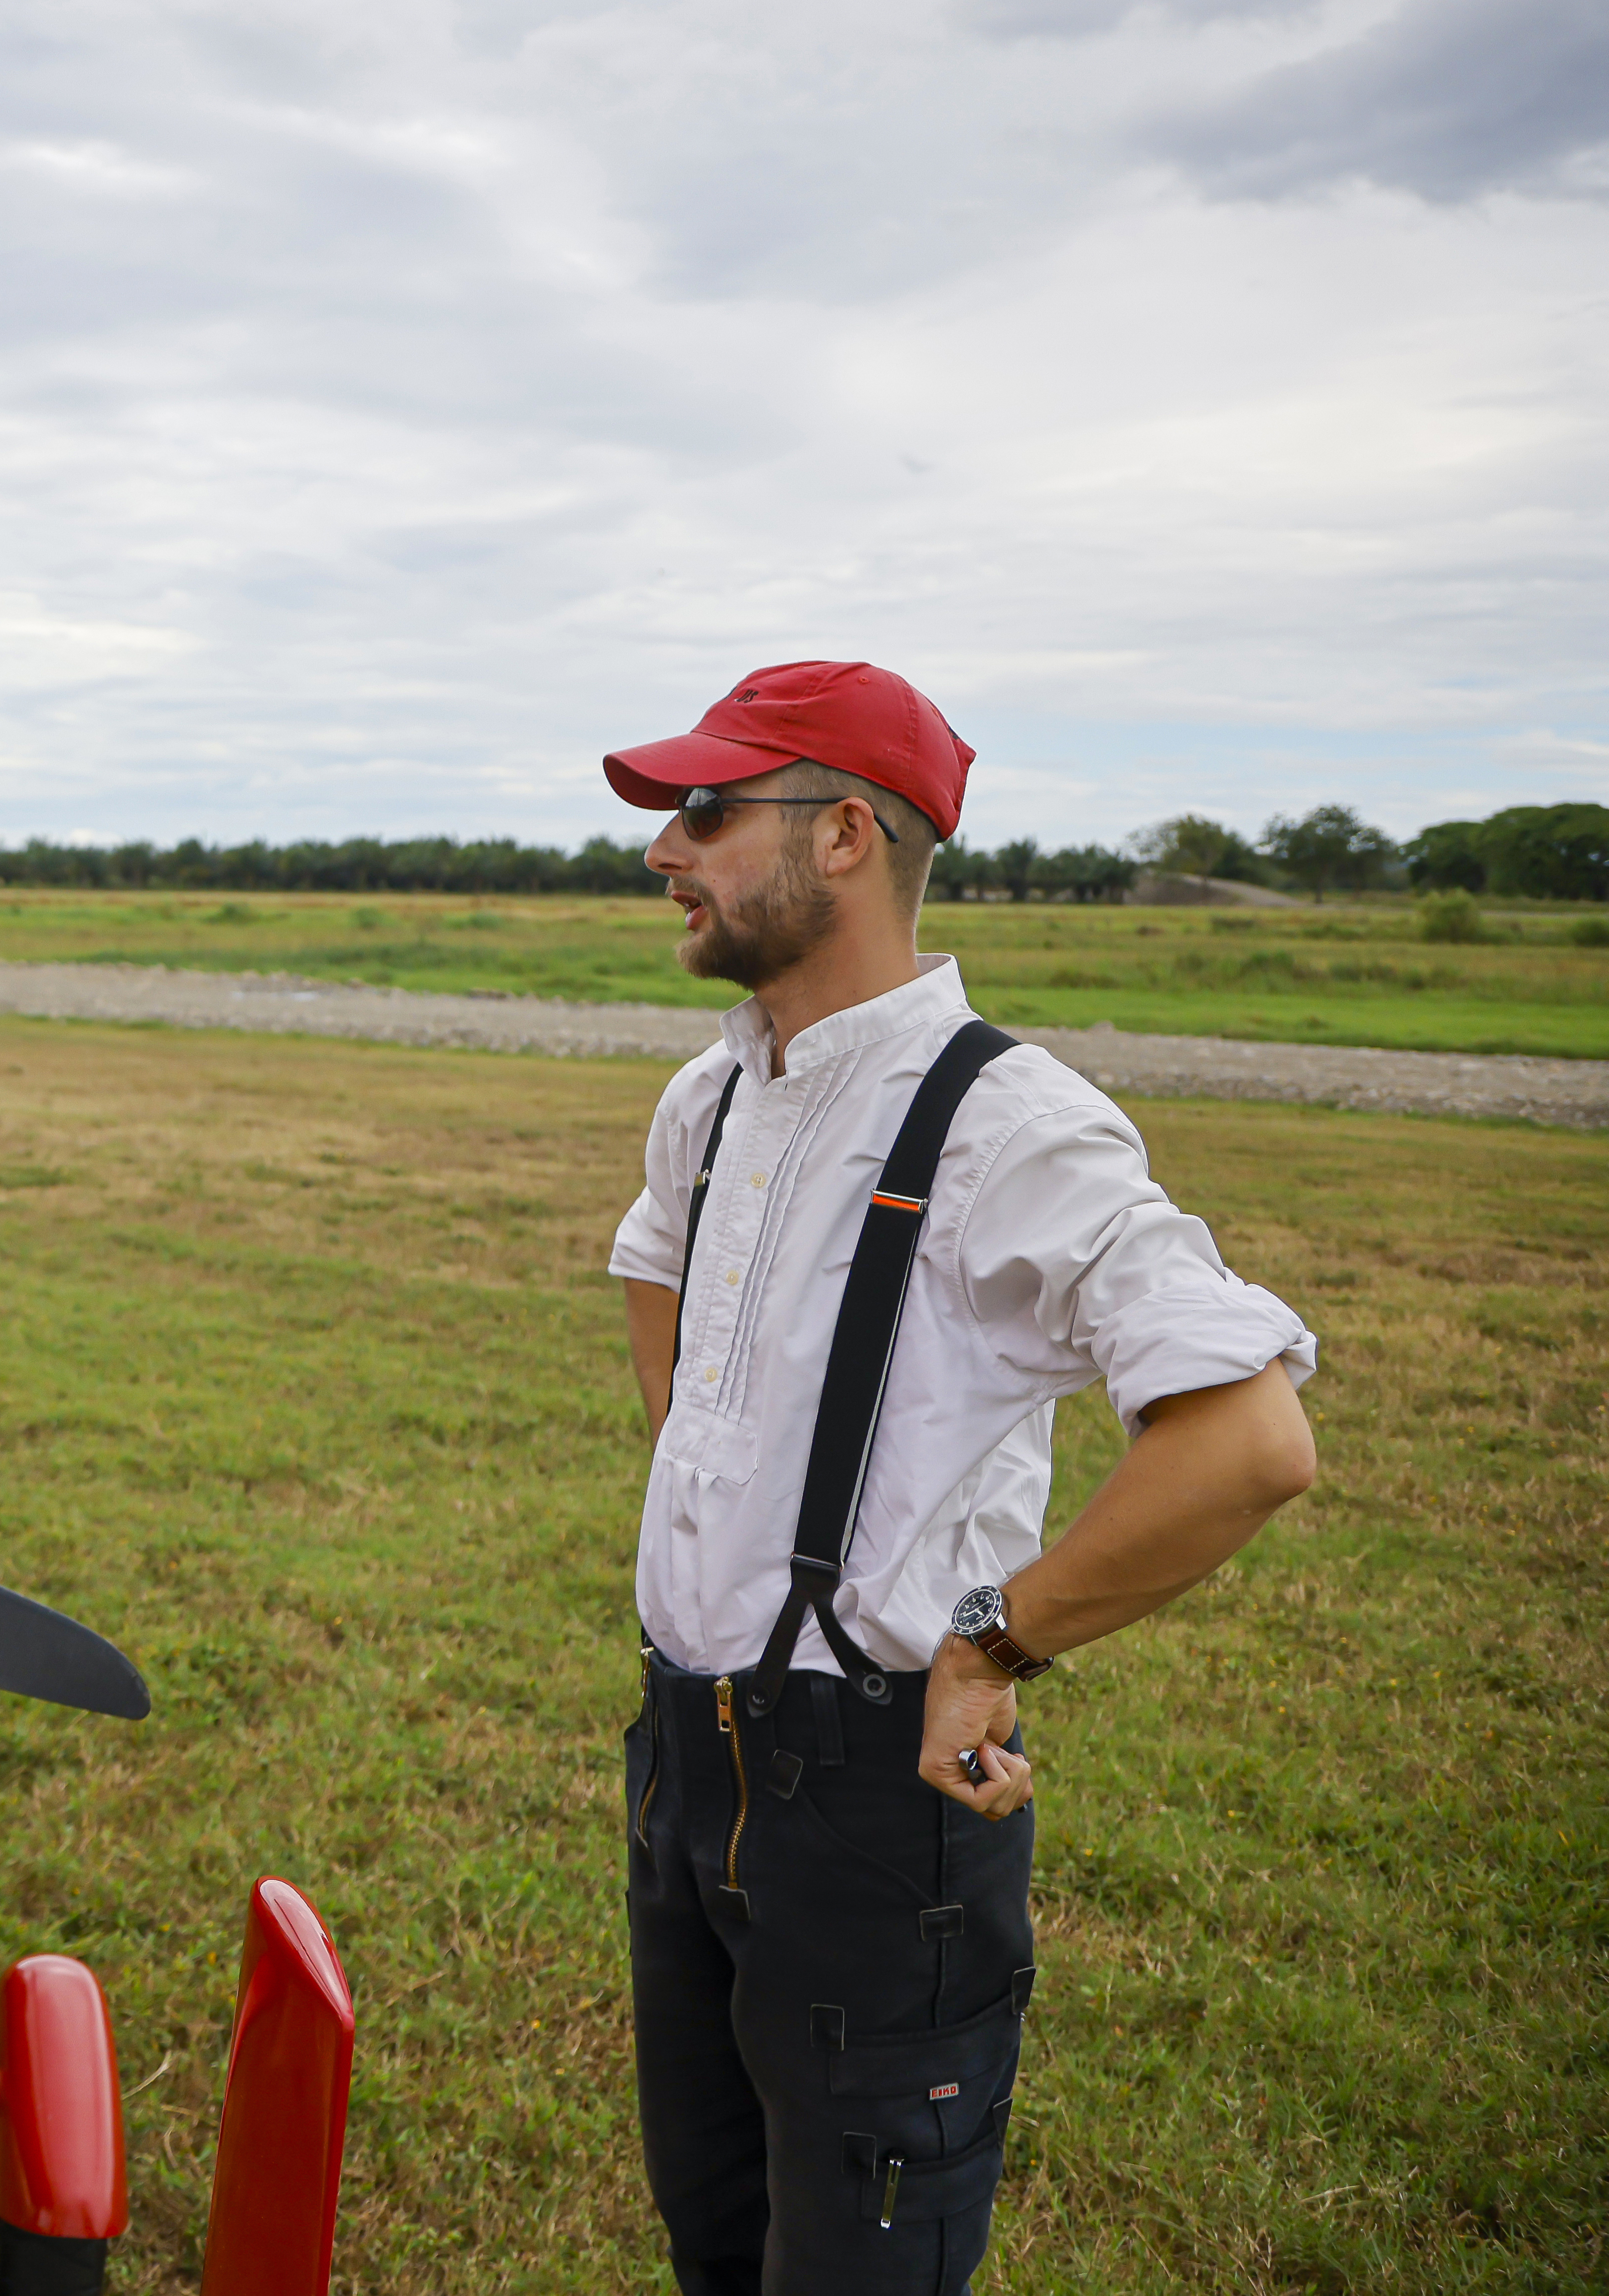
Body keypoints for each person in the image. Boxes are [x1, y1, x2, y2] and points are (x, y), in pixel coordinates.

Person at [600, 661, 1318, 2294]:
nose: (666, 848)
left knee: (856, 2268)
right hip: (682, 1763)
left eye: (709, 812)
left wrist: (997, 1642)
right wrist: (715, 1465)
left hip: (867, 1806)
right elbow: (654, 1260)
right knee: (714, 2236)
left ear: (846, 836)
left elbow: (1250, 1434)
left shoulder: (1013, 1126)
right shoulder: (713, 1097)